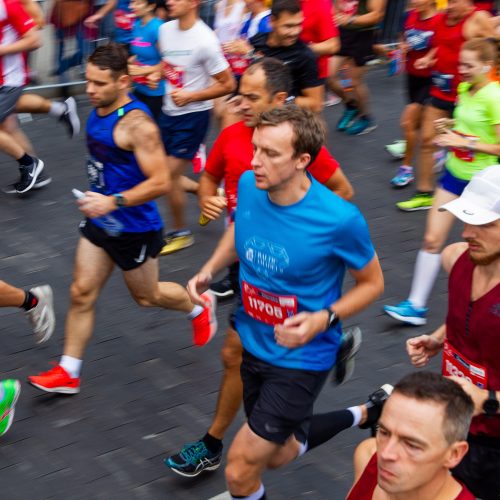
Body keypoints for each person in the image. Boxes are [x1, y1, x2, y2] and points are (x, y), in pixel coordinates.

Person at [164, 58, 355, 476]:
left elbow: (342, 191)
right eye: (240, 94)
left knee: (237, 356)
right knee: (240, 358)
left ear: (279, 99)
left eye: (252, 97)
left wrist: (300, 230)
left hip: (287, 270)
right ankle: (331, 352)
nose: (240, 103)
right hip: (246, 262)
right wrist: (208, 199)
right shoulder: (234, 137)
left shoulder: (296, 148)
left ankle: (214, 443)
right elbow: (211, 179)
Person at [184, 105, 384, 499]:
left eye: (270, 153)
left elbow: (373, 283)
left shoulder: (339, 219)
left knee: (241, 469)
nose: (255, 161)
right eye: (255, 148)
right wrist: (209, 269)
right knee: (275, 456)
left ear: (302, 160)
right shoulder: (248, 185)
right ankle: (366, 412)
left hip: (301, 358)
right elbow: (241, 229)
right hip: (253, 345)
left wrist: (323, 319)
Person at [27, 44, 217, 395]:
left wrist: (112, 201)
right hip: (101, 219)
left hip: (135, 228)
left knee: (147, 297)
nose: (89, 90)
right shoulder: (100, 107)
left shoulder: (139, 125)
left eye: (99, 84)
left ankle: (199, 304)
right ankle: (69, 371)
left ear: (124, 82)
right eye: (88, 81)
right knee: (81, 291)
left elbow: (161, 181)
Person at [384, 39, 500, 325]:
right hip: (452, 175)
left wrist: (463, 141)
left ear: (487, 66)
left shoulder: (494, 96)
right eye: (460, 63)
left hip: (481, 184)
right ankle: (416, 306)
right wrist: (449, 129)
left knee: (478, 251)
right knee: (431, 238)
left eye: (468, 66)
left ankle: (476, 310)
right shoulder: (464, 88)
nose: (460, 70)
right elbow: (468, 130)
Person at [406, 165, 500, 499]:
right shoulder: (457, 258)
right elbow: (473, 317)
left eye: (483, 223)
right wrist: (437, 338)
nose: (467, 232)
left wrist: (486, 400)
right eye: (466, 219)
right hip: (453, 425)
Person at [395, 0, 494, 211]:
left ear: (467, 3)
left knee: (475, 144)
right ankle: (424, 193)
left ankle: (483, 192)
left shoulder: (477, 19)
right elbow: (440, 44)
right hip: (441, 89)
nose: (449, 6)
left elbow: (493, 48)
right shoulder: (441, 19)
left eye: (455, 2)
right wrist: (430, 58)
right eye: (447, 2)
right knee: (429, 139)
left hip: (470, 95)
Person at [156, 0, 236, 255]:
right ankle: (212, 192)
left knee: (167, 178)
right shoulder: (165, 30)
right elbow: (169, 66)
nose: (169, 2)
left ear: (193, 3)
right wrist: (148, 71)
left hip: (192, 117)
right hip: (168, 112)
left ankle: (180, 232)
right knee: (167, 174)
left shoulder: (206, 40)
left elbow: (228, 84)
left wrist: (191, 96)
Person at [348, 372, 475, 499]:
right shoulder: (368, 455)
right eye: (384, 432)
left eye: (411, 445)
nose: (385, 454)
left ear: (454, 454)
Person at [390, 0, 441, 189]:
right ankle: (440, 148)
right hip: (412, 77)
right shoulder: (410, 15)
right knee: (420, 123)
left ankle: (406, 169)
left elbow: (443, 46)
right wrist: (402, 47)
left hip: (431, 79)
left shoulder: (440, 20)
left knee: (408, 121)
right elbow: (405, 37)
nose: (413, 1)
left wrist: (429, 58)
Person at [247, 0, 325, 113]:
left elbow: (315, 104)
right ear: (272, 21)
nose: (295, 32)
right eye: (288, 26)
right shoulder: (257, 41)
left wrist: (280, 101)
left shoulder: (305, 56)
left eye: (299, 25)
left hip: (290, 121)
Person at [327, 0, 387, 135]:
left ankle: (366, 118)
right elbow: (335, 7)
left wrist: (350, 20)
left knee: (355, 81)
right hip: (342, 33)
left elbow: (376, 15)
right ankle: (351, 105)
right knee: (328, 76)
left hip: (363, 35)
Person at [128, 0, 166, 122]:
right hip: (139, 88)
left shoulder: (157, 28)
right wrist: (127, 63)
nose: (132, 6)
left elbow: (169, 61)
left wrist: (142, 70)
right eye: (132, 2)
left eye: (138, 3)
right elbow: (139, 54)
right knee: (123, 114)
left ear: (151, 6)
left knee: (150, 128)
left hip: (156, 92)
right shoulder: (136, 25)